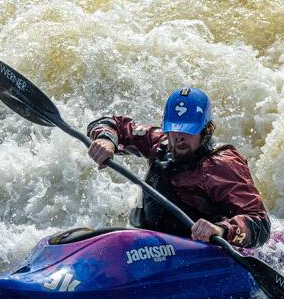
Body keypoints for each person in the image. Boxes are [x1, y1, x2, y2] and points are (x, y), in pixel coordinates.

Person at [85, 88, 270, 248]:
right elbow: (115, 123)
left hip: (196, 250)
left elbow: (259, 222)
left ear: (206, 129)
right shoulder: (160, 142)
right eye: (174, 128)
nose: (179, 137)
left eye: (188, 130)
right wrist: (106, 139)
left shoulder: (222, 164)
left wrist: (221, 230)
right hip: (145, 242)